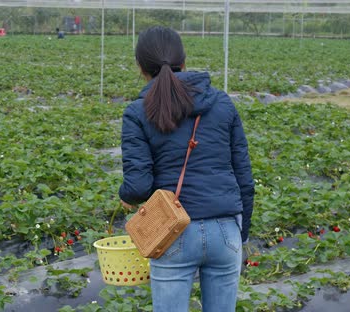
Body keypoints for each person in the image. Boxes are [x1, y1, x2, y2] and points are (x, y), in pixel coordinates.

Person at [118, 26, 254, 312]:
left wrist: (127, 197)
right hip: (225, 230)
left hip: (173, 231)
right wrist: (240, 234)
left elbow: (138, 185)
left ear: (140, 66)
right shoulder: (222, 103)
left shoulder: (137, 112)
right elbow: (244, 177)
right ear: (184, 59)